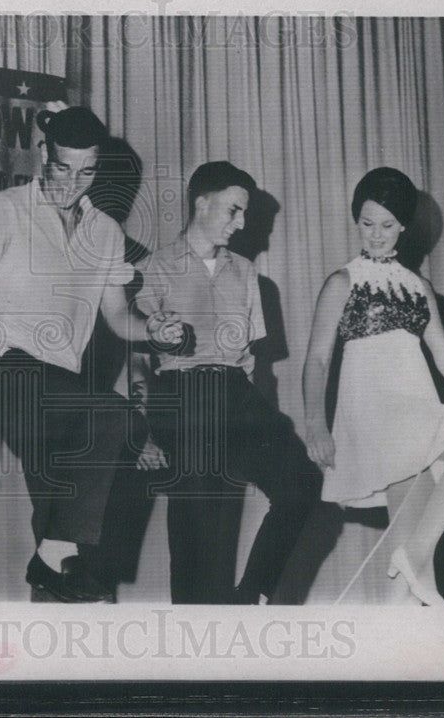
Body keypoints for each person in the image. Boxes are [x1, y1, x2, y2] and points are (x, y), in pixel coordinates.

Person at [0, 106, 183, 602]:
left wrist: (155, 330)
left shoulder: (106, 232)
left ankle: (56, 610)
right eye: (63, 167)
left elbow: (118, 319)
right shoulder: (2, 208)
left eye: (87, 171)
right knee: (115, 417)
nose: (73, 182)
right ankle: (51, 561)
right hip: (7, 371)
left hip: (62, 385)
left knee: (62, 523)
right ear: (43, 155)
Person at [302, 167, 444, 605]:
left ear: (404, 227)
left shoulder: (418, 287)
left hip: (414, 408)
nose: (376, 234)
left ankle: (402, 602)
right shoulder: (343, 282)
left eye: (388, 225)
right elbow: (317, 359)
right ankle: (415, 558)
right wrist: (316, 423)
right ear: (357, 221)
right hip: (373, 410)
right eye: (367, 223)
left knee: (410, 576)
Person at [135, 161, 320, 605]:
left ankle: (252, 592)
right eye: (233, 211)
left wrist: (262, 422)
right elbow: (138, 358)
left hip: (237, 395)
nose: (240, 224)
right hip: (184, 397)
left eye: (244, 214)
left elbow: (256, 363)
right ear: (201, 204)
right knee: (200, 533)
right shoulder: (155, 267)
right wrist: (144, 433)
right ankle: (195, 653)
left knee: (302, 483)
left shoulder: (248, 274)